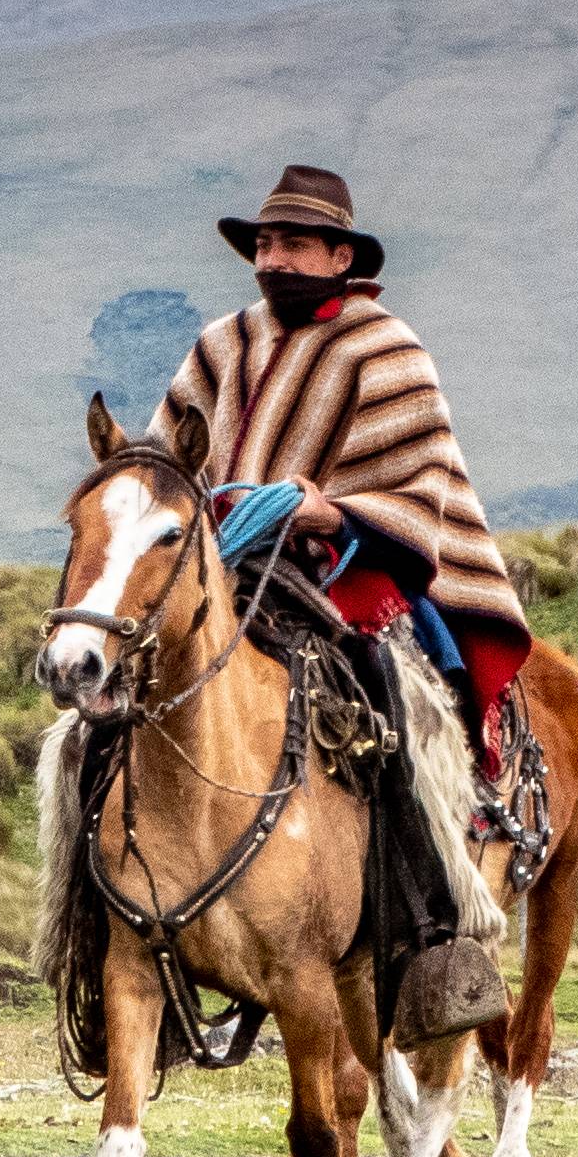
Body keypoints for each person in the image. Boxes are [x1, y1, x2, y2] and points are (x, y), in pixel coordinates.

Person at [151, 165, 519, 1041]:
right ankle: (120, 927)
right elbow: (169, 462)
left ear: (340, 254)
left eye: (292, 244)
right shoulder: (219, 345)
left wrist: (327, 507)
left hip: (343, 568)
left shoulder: (386, 348)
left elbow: (419, 484)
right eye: (263, 245)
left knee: (397, 703)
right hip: (219, 566)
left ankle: (435, 933)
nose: (271, 260)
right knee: (119, 694)